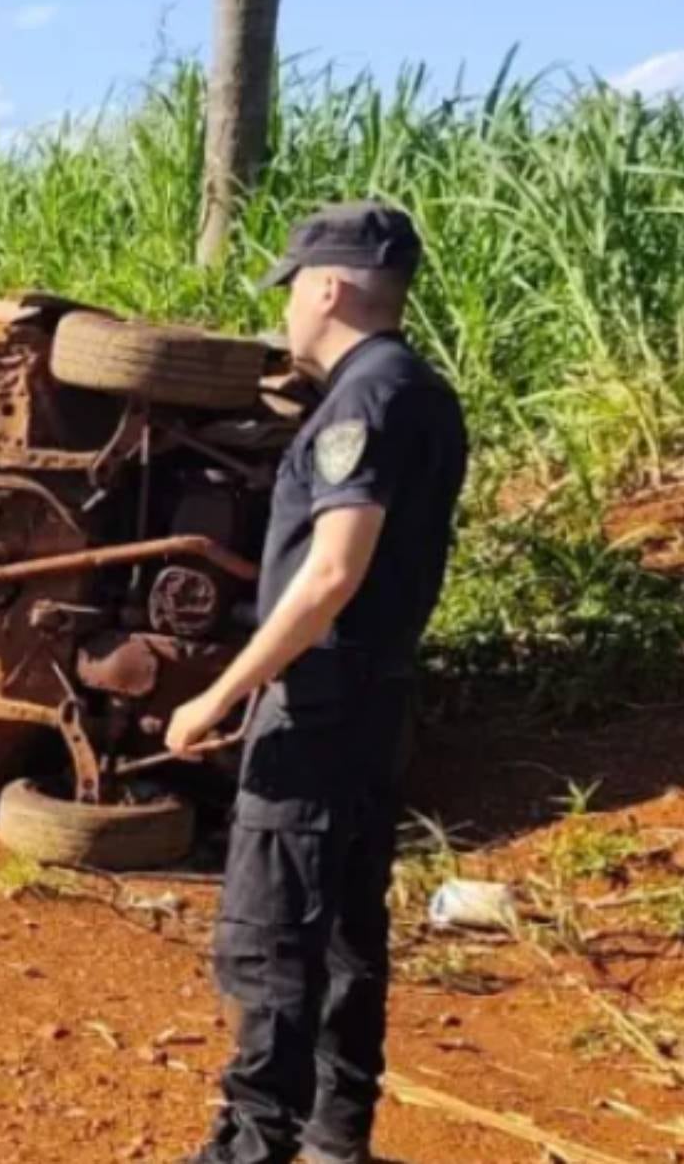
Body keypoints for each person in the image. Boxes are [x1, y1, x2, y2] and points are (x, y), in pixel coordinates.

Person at [169, 203, 468, 1164]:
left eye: (295, 289)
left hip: (321, 704)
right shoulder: (421, 392)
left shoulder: (361, 403)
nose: (289, 312)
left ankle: (251, 1147)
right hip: (377, 699)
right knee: (345, 929)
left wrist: (222, 693)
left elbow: (333, 570)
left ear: (331, 288)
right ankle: (340, 1141)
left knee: (271, 936)